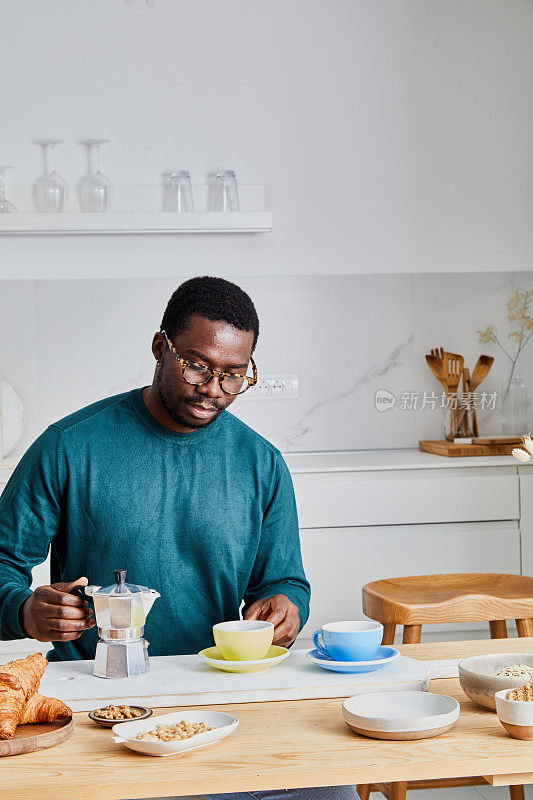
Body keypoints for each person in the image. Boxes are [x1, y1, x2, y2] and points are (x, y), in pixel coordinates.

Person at [0, 276, 357, 800]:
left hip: (218, 694)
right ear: (159, 348)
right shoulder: (70, 446)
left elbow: (282, 580)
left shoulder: (261, 464)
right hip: (95, 699)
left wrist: (285, 606)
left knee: (330, 793)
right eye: (197, 365)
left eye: (235, 375)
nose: (213, 388)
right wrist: (25, 610)